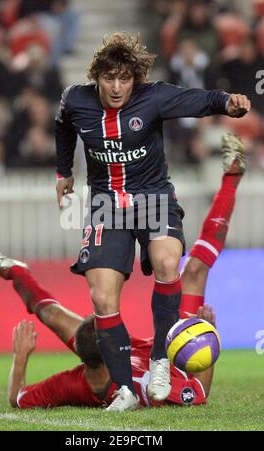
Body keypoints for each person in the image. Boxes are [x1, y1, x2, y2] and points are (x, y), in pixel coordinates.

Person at [0, 133, 246, 410]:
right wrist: (207, 335)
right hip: (170, 350)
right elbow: (198, 392)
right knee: (195, 271)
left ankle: (17, 271)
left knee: (53, 315)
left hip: (131, 353)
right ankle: (232, 178)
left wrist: (20, 358)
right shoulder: (147, 387)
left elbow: (17, 399)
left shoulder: (74, 383)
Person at [54, 32, 250, 410]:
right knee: (101, 295)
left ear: (135, 79)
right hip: (105, 204)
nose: (116, 87)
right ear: (96, 77)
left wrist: (228, 102)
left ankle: (160, 359)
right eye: (108, 79)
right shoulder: (75, 100)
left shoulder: (154, 96)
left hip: (153, 196)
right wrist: (64, 172)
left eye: (124, 79)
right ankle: (125, 390)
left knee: (165, 261)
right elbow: (62, 127)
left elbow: (201, 100)